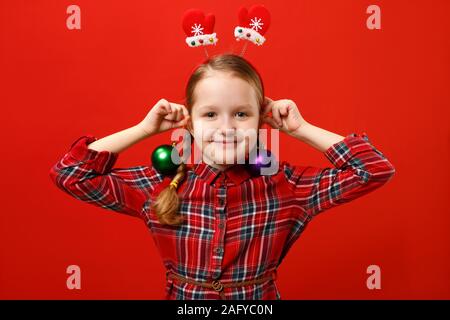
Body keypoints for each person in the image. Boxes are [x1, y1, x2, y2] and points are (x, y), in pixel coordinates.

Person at [49, 53, 395, 300]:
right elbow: (70, 173)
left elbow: (373, 169)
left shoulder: (285, 185)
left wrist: (301, 129)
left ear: (262, 120)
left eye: (241, 114)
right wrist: (143, 129)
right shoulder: (162, 182)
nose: (227, 128)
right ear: (190, 122)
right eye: (211, 114)